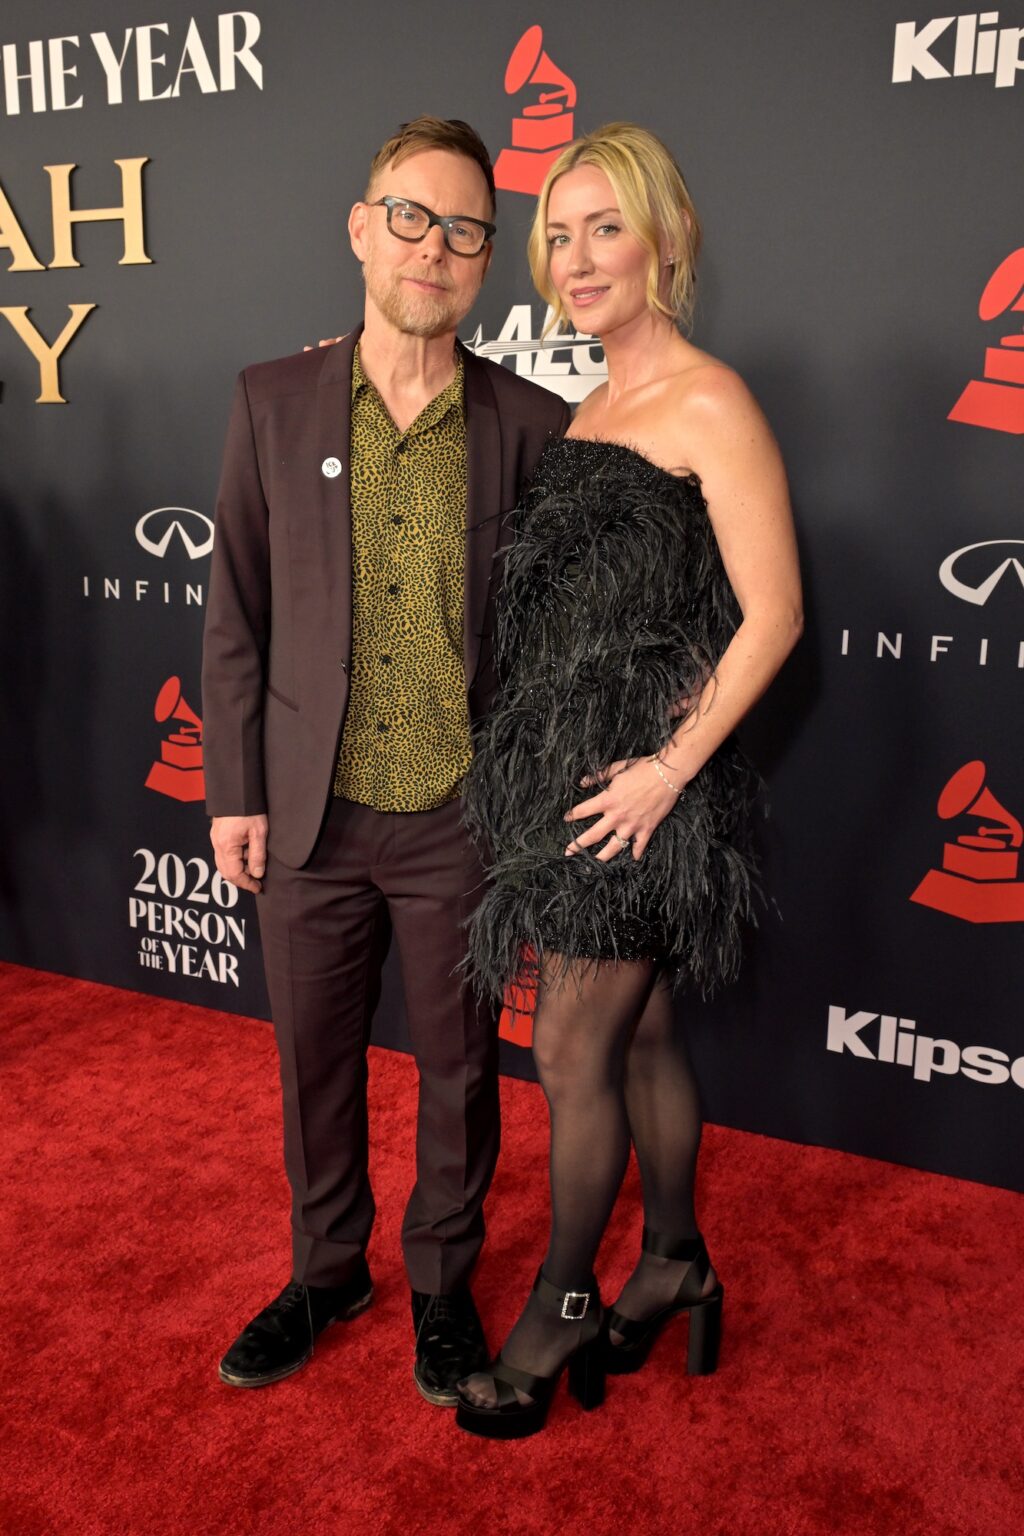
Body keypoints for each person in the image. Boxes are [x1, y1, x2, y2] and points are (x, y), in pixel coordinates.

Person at [202, 116, 570, 1405]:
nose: (436, 247)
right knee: (313, 1061)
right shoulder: (270, 399)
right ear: (361, 229)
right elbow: (236, 612)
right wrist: (232, 791)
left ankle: (440, 1283)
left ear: (485, 264)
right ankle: (326, 1271)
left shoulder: (533, 421)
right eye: (410, 217)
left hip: (458, 821)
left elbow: (550, 643)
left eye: (466, 230)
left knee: (465, 1072)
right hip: (307, 813)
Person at [454, 122, 803, 1439]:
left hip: (655, 794)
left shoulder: (711, 399)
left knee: (570, 1043)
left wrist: (664, 770)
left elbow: (771, 617)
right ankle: (675, 1262)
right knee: (641, 1034)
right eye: (560, 232)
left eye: (606, 227)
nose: (579, 256)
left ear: (665, 240)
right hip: (576, 781)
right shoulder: (591, 403)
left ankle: (563, 1311)